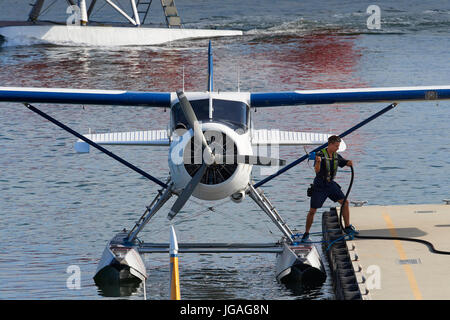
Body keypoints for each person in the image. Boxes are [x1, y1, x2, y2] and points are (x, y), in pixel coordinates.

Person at [301, 135, 358, 242]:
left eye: (338, 146)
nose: (337, 148)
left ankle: (347, 227)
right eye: (336, 146)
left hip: (331, 185)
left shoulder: (336, 155)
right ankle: (306, 233)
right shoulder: (320, 154)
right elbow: (317, 171)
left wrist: (348, 163)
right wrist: (317, 162)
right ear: (330, 144)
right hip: (320, 186)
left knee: (345, 203)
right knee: (313, 210)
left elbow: (344, 162)